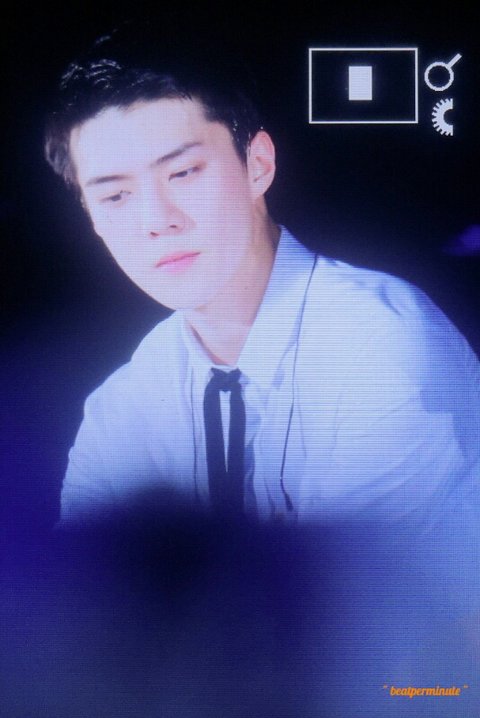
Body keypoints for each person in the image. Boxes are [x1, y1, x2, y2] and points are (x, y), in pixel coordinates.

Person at [44, 26, 480, 529]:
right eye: (115, 196)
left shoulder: (376, 348)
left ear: (258, 164)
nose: (156, 220)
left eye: (183, 173)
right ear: (91, 218)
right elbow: (72, 581)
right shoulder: (123, 406)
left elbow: (359, 580)